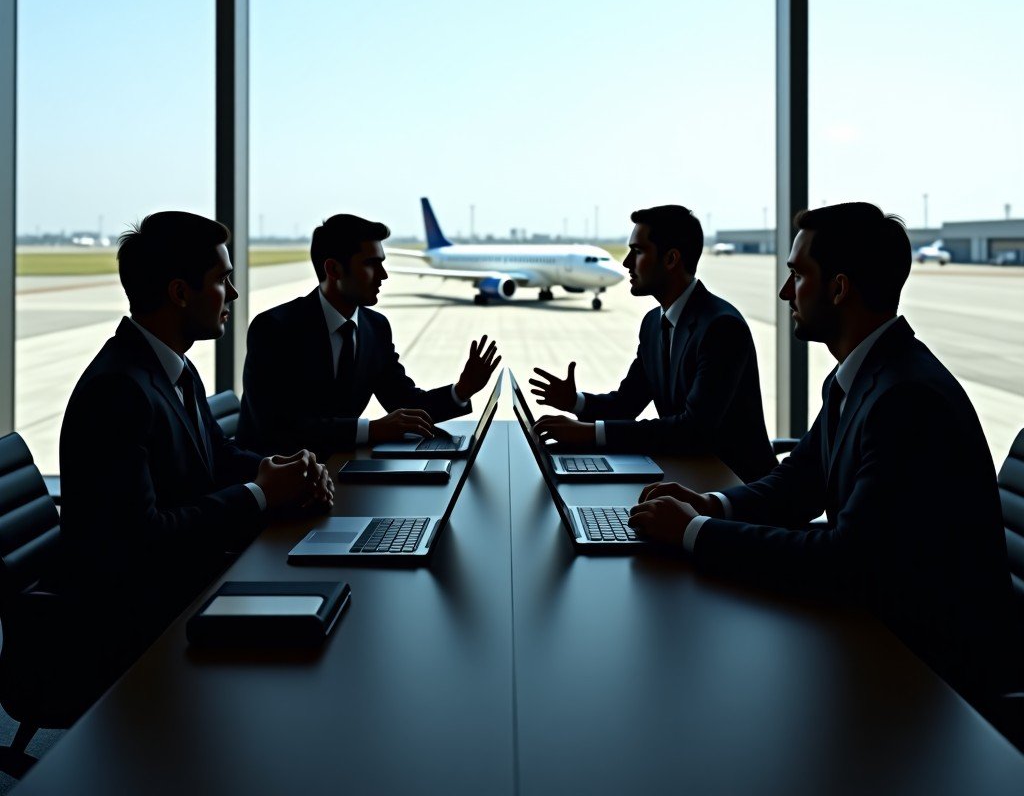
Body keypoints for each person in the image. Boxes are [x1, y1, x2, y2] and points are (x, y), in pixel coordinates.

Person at [628, 202, 1018, 703]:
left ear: (838, 288)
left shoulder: (906, 398)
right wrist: (711, 506)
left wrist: (692, 533)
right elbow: (799, 482)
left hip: (932, 679)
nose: (785, 291)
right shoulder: (863, 376)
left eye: (797, 274)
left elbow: (845, 560)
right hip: (881, 633)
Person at [60, 211, 333, 673]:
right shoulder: (119, 391)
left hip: (183, 589)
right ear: (180, 293)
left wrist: (288, 471)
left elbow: (217, 455)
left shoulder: (172, 369)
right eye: (223, 279)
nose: (234, 294)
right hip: (137, 626)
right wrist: (261, 494)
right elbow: (142, 539)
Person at [530, 205, 775, 483]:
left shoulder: (721, 328)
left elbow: (693, 431)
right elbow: (626, 404)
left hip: (740, 489)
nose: (626, 264)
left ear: (671, 259)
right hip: (689, 476)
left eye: (638, 252)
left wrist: (588, 433)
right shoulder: (652, 325)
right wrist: (575, 402)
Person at [237, 213, 500, 454]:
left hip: (339, 468)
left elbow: (404, 404)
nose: (384, 275)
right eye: (372, 264)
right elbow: (278, 428)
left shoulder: (375, 327)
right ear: (333, 269)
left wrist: (462, 390)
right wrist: (371, 430)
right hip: (275, 485)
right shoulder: (275, 329)